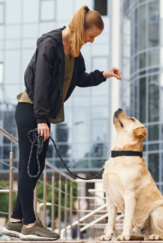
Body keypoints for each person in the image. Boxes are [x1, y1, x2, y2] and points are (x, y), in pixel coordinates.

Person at [2, 5, 121, 241]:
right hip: (30, 110)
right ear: (81, 28)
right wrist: (41, 118)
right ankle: (29, 223)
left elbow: (80, 79)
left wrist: (104, 74)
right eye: (91, 36)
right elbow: (40, 84)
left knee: (36, 166)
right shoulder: (50, 44)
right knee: (29, 165)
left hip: (40, 114)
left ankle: (15, 221)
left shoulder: (74, 52)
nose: (92, 41)